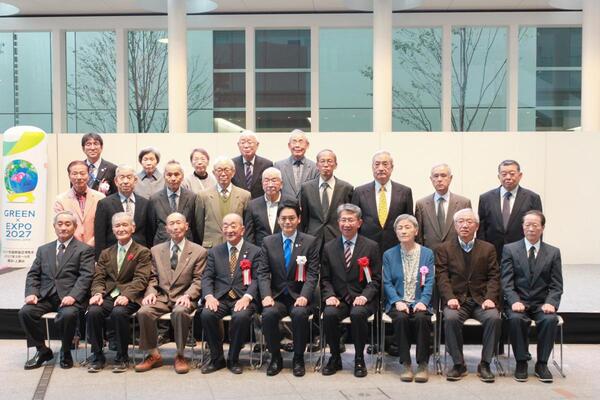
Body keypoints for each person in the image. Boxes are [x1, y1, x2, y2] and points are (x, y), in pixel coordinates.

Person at [19, 211, 95, 370]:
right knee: (25, 312)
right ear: (54, 226)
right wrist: (31, 293)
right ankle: (42, 350)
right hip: (46, 296)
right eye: (60, 224)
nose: (63, 227)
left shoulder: (84, 249)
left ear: (75, 227)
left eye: (68, 224)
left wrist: (73, 296)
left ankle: (65, 351)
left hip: (70, 297)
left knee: (67, 315)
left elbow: (86, 276)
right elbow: (33, 274)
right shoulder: (43, 250)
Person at [134, 213, 207, 374]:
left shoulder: (199, 251)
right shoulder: (156, 250)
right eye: (171, 224)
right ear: (166, 229)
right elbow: (152, 277)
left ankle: (180, 355)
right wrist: (150, 292)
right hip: (162, 296)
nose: (175, 227)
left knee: (180, 312)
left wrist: (188, 295)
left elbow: (199, 280)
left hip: (184, 297)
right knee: (144, 311)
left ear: (186, 226)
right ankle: (153, 355)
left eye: (178, 223)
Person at [435, 208, 501, 382]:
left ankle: (485, 363)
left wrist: (490, 298)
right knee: (450, 318)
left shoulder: (488, 248)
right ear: (455, 226)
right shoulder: (444, 249)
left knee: (494, 318)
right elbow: (442, 277)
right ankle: (458, 364)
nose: (464, 225)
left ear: (476, 226)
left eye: (469, 222)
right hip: (457, 300)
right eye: (460, 221)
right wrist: (449, 297)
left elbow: (494, 276)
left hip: (481, 300)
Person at [258, 200, 319, 377]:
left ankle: (298, 358)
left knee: (299, 314)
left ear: (299, 219)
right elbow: (263, 272)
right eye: (283, 218)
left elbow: (313, 274)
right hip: (277, 296)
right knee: (268, 314)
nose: (287, 222)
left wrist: (305, 296)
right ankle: (275, 357)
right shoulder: (268, 242)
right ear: (278, 220)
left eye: (292, 218)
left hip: (299, 296)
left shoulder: (310, 242)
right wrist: (266, 295)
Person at [501, 210, 563, 383]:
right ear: (522, 227)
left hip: (541, 303)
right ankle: (521, 362)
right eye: (527, 225)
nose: (531, 229)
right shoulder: (510, 250)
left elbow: (556, 285)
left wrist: (551, 303)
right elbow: (506, 282)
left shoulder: (553, 252)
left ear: (542, 228)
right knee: (516, 319)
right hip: (518, 302)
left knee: (550, 320)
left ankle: (542, 364)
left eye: (535, 225)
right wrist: (514, 301)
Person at [86, 212, 152, 373]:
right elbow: (99, 277)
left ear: (133, 228)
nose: (121, 229)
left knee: (119, 313)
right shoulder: (106, 253)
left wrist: (127, 296)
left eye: (124, 225)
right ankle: (97, 355)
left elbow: (141, 279)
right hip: (109, 295)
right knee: (93, 311)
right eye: (117, 226)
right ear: (113, 229)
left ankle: (122, 356)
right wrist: (97, 293)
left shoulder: (142, 252)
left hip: (131, 296)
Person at [320, 204, 380, 378]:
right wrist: (330, 295)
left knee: (358, 314)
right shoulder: (329, 247)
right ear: (338, 222)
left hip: (362, 297)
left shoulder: (371, 246)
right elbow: (325, 278)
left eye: (351, 220)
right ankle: (335, 357)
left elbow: (376, 279)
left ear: (359, 223)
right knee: (329, 314)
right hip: (339, 298)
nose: (347, 224)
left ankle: (359, 359)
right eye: (343, 220)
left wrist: (365, 296)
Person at [200, 213, 261, 374]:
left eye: (233, 226)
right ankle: (217, 358)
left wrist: (247, 297)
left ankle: (233, 359)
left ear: (242, 229)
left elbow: (258, 278)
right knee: (207, 314)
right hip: (220, 298)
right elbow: (207, 277)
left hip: (243, 297)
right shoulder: (214, 252)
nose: (229, 230)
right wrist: (209, 296)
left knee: (241, 317)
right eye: (225, 226)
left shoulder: (255, 251)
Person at [383, 214, 434, 382]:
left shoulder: (427, 253)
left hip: (420, 302)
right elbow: (387, 282)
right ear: (396, 232)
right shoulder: (389, 254)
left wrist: (424, 301)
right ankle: (405, 363)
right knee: (401, 318)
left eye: (407, 227)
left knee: (421, 319)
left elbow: (430, 281)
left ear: (416, 231)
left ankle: (422, 364)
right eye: (400, 228)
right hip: (398, 302)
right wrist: (397, 301)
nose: (403, 231)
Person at [477, 159, 543, 262]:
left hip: (522, 254)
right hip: (493, 254)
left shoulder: (532, 198)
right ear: (499, 176)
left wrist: (535, 254)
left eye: (512, 174)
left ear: (520, 175)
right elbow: (481, 229)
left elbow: (538, 228)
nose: (508, 177)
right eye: (504, 174)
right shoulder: (486, 198)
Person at [352, 150, 413, 254]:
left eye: (385, 164)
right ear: (372, 167)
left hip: (396, 247)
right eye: (377, 164)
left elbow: (409, 221)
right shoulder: (359, 192)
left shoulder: (405, 192)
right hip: (366, 249)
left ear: (392, 167)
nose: (381, 168)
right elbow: (354, 221)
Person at [300, 149, 354, 252]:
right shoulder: (306, 188)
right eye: (322, 161)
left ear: (335, 165)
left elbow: (349, 216)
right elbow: (304, 218)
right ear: (317, 165)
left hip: (337, 238)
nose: (326, 165)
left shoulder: (346, 188)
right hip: (313, 239)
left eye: (329, 161)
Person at [94, 164, 149, 260]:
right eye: (122, 177)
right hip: (113, 256)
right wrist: (100, 260)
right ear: (116, 181)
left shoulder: (145, 203)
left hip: (140, 256)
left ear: (135, 180)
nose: (125, 181)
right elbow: (100, 235)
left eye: (129, 177)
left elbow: (150, 233)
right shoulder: (104, 204)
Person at [195, 157, 251, 249]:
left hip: (236, 246)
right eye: (219, 170)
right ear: (214, 173)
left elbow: (247, 224)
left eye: (226, 170)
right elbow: (199, 225)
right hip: (211, 247)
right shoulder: (203, 196)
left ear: (233, 172)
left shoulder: (244, 195)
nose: (223, 174)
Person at [415, 163, 471, 251]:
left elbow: (468, 233)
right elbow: (418, 236)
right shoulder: (421, 204)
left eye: (443, 175)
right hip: (430, 255)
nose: (439, 179)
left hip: (456, 254)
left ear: (450, 178)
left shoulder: (463, 203)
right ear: (431, 179)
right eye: (436, 176)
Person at [54, 160, 105, 246]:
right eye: (74, 174)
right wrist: (78, 247)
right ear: (69, 176)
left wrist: (91, 244)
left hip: (95, 247)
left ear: (89, 175)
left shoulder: (100, 198)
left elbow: (103, 225)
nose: (79, 177)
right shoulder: (61, 200)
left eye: (82, 173)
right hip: (71, 248)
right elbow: (61, 227)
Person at [147, 160, 198, 245]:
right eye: (169, 175)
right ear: (164, 176)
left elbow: (194, 226)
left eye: (177, 174)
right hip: (162, 244)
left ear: (182, 176)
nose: (173, 178)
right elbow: (151, 228)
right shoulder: (154, 199)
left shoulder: (192, 197)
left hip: (186, 244)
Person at [244, 167, 289, 246]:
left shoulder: (290, 203)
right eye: (266, 181)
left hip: (285, 249)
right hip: (260, 251)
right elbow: (249, 235)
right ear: (262, 184)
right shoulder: (252, 206)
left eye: (274, 180)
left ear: (281, 184)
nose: (270, 185)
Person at [274, 129, 319, 200]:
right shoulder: (278, 166)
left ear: (307, 145)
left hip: (307, 206)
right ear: (289, 145)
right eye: (294, 142)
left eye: (301, 141)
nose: (297, 145)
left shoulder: (315, 167)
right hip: (285, 206)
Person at [231, 130, 273, 199]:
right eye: (243, 143)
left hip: (259, 204)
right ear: (238, 145)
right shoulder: (232, 164)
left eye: (250, 142)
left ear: (257, 145)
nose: (246, 146)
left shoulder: (267, 165)